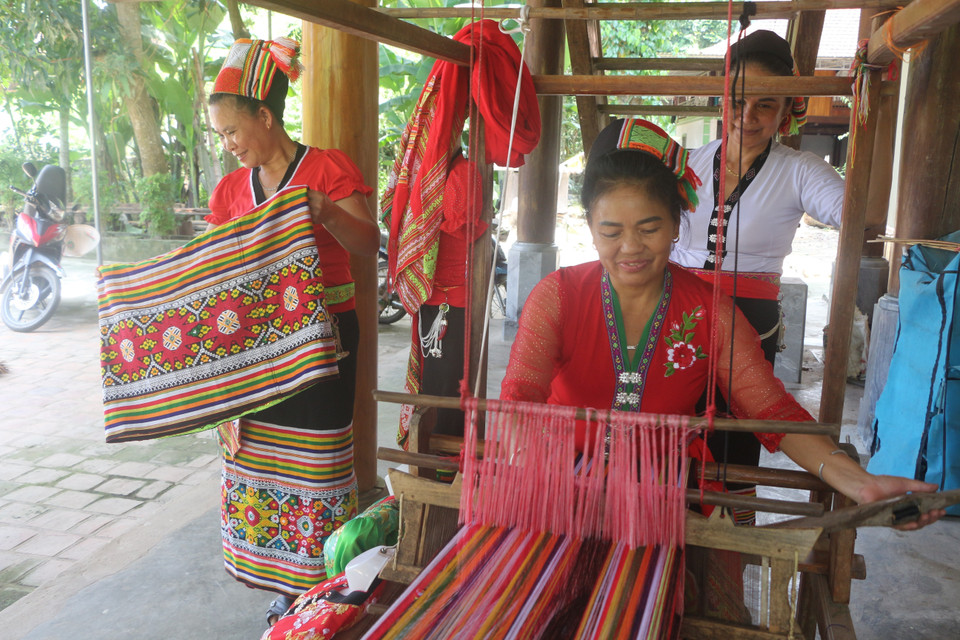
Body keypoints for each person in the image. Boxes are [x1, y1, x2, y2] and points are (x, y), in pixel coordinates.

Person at [500, 116, 943, 529]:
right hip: (560, 488)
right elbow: (520, 396)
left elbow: (771, 411)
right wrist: (537, 469)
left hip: (663, 498)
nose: (630, 247)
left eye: (649, 228)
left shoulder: (709, 313)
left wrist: (859, 482)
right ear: (591, 228)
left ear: (677, 224)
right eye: (611, 231)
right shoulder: (558, 297)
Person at [204, 37, 379, 626]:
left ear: (265, 116)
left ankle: (319, 584)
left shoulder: (328, 169)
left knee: (320, 459)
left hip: (327, 339)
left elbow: (367, 246)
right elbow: (217, 272)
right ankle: (281, 586)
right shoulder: (230, 192)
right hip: (256, 351)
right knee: (262, 462)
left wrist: (325, 210)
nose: (228, 146)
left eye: (232, 132)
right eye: (221, 137)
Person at [669, 30, 848, 519]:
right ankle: (667, 536)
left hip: (748, 320)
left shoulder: (801, 171)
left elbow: (854, 213)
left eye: (765, 106)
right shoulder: (688, 164)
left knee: (736, 435)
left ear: (787, 108)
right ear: (721, 98)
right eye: (738, 101)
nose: (748, 117)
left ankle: (730, 549)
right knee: (669, 427)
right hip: (678, 311)